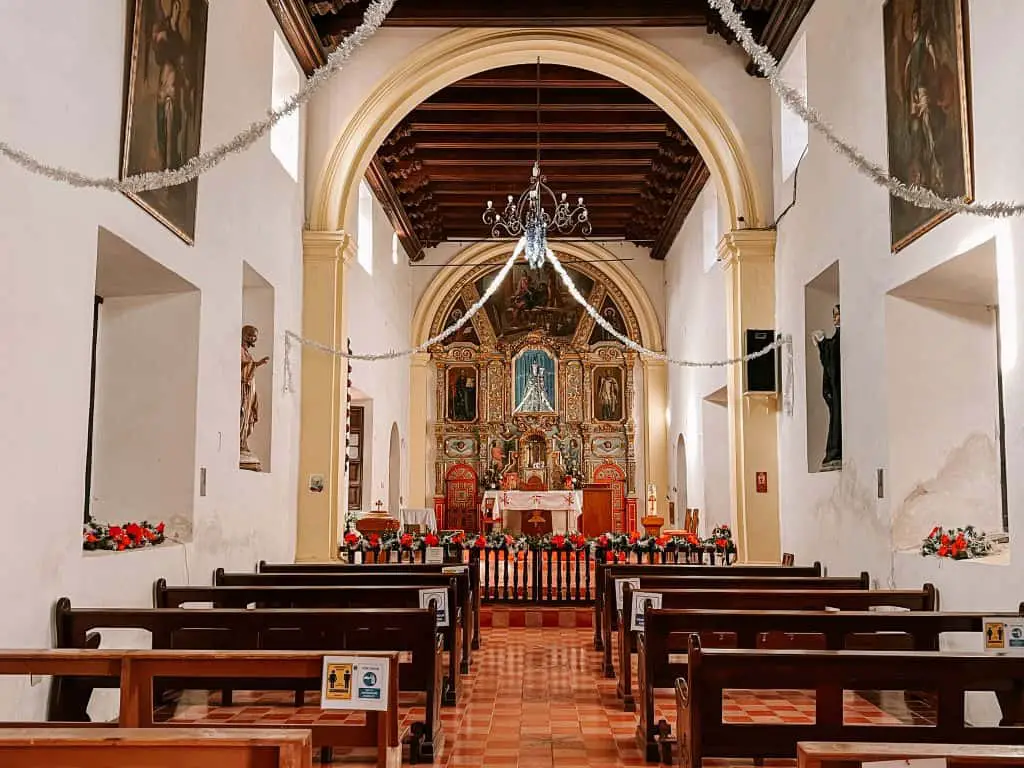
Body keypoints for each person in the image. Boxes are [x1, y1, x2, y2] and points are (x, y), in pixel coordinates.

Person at [812, 305, 842, 469]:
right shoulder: (836, 339)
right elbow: (830, 361)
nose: (837, 318)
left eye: (839, 314)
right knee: (835, 415)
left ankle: (835, 451)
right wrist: (822, 345)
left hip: (841, 387)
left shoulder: (842, 338)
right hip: (835, 387)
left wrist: (823, 344)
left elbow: (836, 353)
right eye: (835, 315)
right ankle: (833, 452)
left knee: (839, 416)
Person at [240, 325, 270, 470]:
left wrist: (256, 364)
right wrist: (256, 364)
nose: (254, 339)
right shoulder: (239, 351)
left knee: (248, 416)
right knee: (243, 416)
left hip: (249, 390)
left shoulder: (245, 352)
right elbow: (242, 368)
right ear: (245, 335)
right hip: (243, 391)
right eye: (251, 336)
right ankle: (240, 442)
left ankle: (243, 442)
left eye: (255, 337)